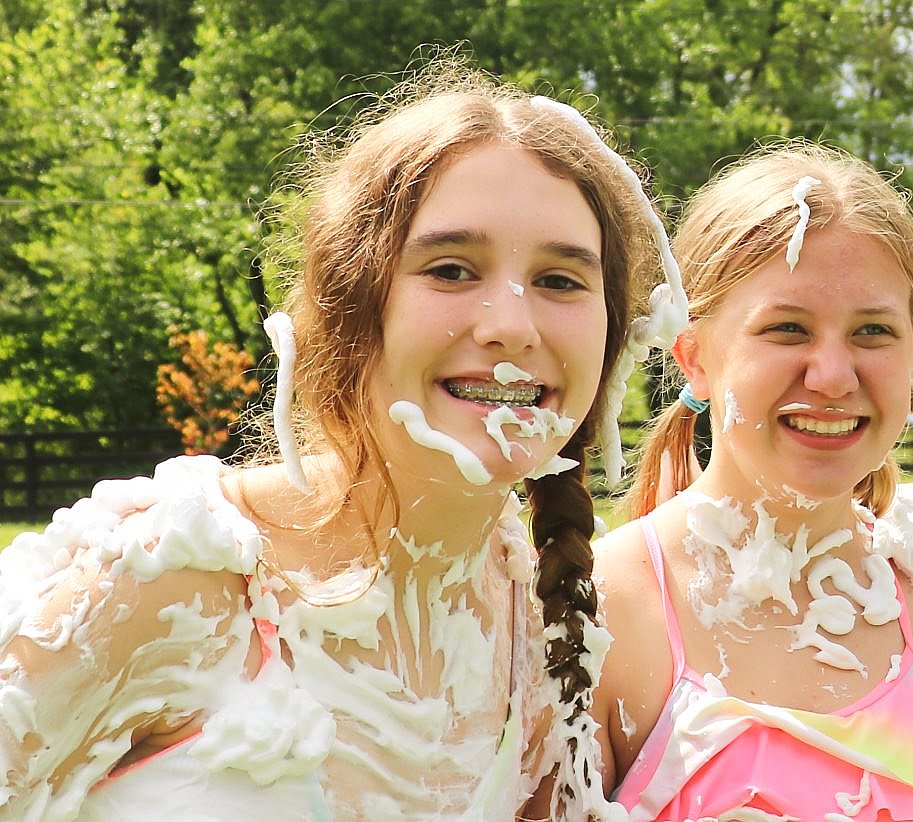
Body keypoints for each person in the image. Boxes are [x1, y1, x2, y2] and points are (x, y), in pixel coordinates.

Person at [0, 64, 667, 818]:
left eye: (560, 280)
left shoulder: (539, 624)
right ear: (354, 304)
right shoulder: (178, 577)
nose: (511, 325)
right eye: (451, 269)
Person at [589, 142, 913, 820]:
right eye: (787, 327)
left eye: (873, 332)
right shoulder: (603, 612)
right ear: (695, 358)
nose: (832, 375)